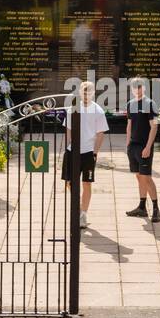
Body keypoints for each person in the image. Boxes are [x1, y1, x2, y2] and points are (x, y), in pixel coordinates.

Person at [62, 81, 107, 228]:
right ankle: (77, 207)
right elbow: (68, 129)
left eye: (89, 92)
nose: (86, 94)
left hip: (88, 153)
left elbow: (100, 134)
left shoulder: (98, 111)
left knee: (86, 183)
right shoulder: (73, 109)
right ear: (80, 92)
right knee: (69, 183)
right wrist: (67, 147)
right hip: (72, 151)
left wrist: (95, 153)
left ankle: (82, 213)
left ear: (94, 93)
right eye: (84, 91)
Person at [124, 77, 160, 223]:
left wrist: (148, 147)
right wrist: (128, 145)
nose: (137, 89)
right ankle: (142, 207)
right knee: (139, 176)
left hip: (145, 147)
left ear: (144, 88)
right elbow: (129, 125)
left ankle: (156, 209)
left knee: (147, 177)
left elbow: (154, 126)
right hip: (133, 146)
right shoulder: (130, 104)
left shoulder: (151, 104)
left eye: (139, 87)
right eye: (134, 87)